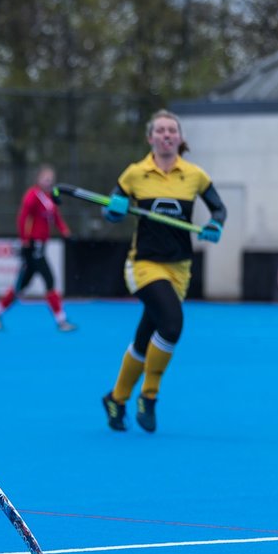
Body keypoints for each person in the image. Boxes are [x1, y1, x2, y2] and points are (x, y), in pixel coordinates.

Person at [99, 109, 227, 433]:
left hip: (180, 268)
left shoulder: (194, 175)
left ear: (180, 138)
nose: (167, 135)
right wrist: (113, 211)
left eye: (172, 130)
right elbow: (111, 210)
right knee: (171, 323)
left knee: (146, 337)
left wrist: (215, 224)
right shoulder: (135, 174)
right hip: (143, 264)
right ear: (150, 137)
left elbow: (219, 208)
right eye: (161, 130)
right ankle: (149, 397)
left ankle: (116, 398)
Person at [0, 164, 75, 332]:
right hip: (32, 246)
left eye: (51, 178)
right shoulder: (32, 195)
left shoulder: (49, 197)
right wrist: (25, 239)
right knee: (48, 281)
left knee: (21, 286)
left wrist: (65, 231)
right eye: (45, 178)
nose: (49, 181)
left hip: (41, 247)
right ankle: (61, 320)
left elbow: (56, 217)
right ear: (38, 179)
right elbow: (23, 217)